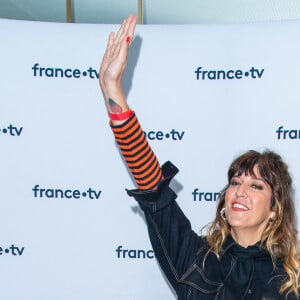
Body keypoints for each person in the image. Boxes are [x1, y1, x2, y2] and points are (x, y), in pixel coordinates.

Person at [99, 14, 300, 299]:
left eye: (256, 186)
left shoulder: (291, 280)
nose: (240, 192)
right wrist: (111, 88)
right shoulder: (196, 260)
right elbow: (154, 191)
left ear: (274, 210)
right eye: (235, 182)